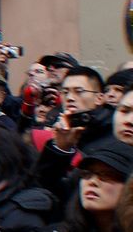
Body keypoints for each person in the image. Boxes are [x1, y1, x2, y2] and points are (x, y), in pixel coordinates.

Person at [34, 65, 113, 206]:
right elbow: (44, 187)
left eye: (79, 91)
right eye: (65, 92)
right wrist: (60, 148)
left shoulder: (113, 132)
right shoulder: (59, 131)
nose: (70, 98)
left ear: (99, 98)